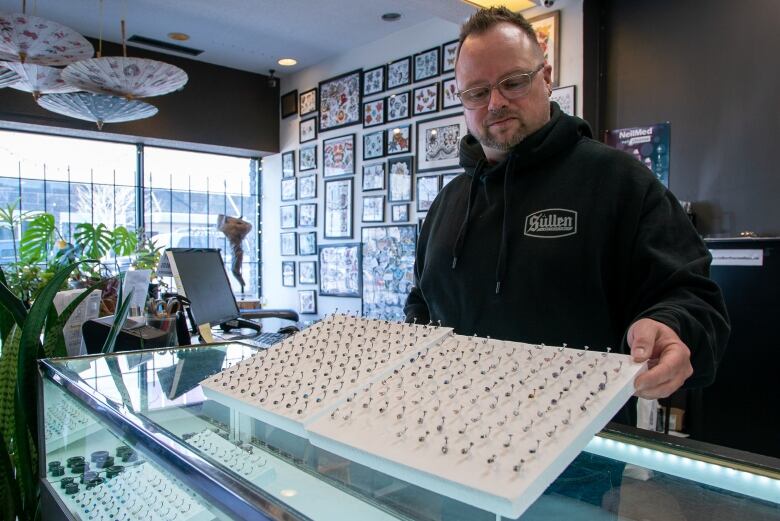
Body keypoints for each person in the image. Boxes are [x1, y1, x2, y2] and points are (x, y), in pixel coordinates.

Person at [404, 7, 729, 415]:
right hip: (450, 433)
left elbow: (691, 296)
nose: (495, 103)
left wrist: (672, 327)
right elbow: (422, 300)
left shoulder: (619, 181)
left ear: (546, 76)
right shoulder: (447, 203)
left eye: (513, 82)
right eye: (477, 92)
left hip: (580, 453)